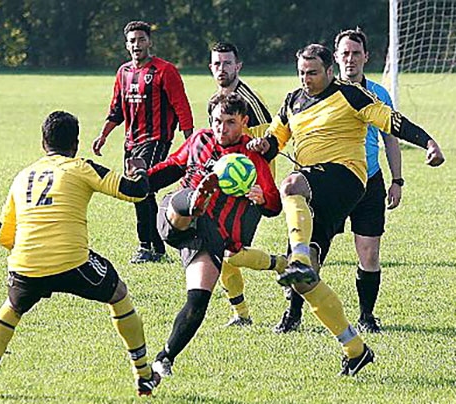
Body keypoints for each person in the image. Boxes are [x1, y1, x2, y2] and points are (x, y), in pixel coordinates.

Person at [248, 44, 445, 374]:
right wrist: (261, 145)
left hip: (347, 177)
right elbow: (275, 141)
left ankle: (305, 264)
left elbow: (392, 122)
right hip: (315, 187)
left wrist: (428, 142)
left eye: (313, 73)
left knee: (291, 185)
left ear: (329, 70)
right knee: (307, 275)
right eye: (302, 73)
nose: (307, 79)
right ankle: (355, 349)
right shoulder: (292, 101)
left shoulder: (352, 95)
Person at [0, 111, 161, 398]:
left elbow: (3, 236)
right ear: (76, 144)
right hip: (73, 262)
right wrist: (140, 170)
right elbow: (136, 192)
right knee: (118, 293)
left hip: (25, 263)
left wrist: (32, 259)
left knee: (12, 307)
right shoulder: (81, 167)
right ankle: (143, 376)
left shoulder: (23, 176)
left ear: (43, 142)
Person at [147, 93, 282, 377]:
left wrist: (261, 197)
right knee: (183, 204)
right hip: (177, 216)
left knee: (198, 301)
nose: (222, 128)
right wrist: (140, 180)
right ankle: (195, 201)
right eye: (218, 121)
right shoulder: (200, 140)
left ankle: (165, 357)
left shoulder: (252, 156)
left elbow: (274, 204)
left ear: (244, 122)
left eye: (230, 122)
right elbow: (171, 167)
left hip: (210, 237)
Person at [277, 29, 402, 334]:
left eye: (356, 53)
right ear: (335, 59)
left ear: (365, 57)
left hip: (367, 181)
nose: (350, 59)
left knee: (369, 252)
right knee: (310, 248)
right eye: (344, 53)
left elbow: (391, 139)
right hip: (327, 180)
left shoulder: (376, 94)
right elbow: (279, 133)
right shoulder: (314, 97)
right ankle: (293, 313)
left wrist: (397, 180)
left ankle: (367, 316)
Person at [92, 20, 194, 264]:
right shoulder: (123, 72)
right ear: (126, 45)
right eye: (132, 41)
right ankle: (156, 247)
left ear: (149, 42)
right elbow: (116, 109)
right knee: (140, 193)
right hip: (131, 143)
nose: (136, 45)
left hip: (157, 140)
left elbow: (181, 105)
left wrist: (191, 143)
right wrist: (104, 135)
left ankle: (147, 246)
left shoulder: (164, 71)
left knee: (143, 189)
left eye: (140, 39)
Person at [208, 41, 286, 327]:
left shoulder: (249, 101)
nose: (222, 68)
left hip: (250, 191)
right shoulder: (216, 100)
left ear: (238, 66)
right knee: (222, 254)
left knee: (232, 254)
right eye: (217, 63)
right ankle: (241, 315)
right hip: (223, 187)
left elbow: (269, 146)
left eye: (227, 63)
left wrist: (263, 192)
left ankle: (281, 265)